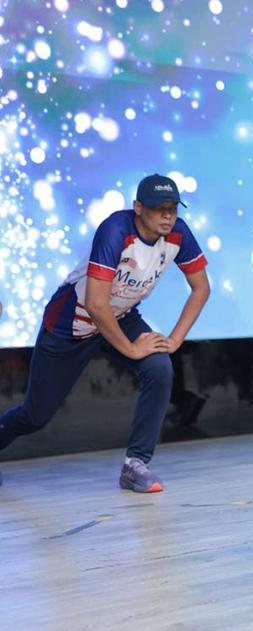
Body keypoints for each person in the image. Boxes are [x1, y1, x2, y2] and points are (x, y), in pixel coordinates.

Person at [0, 174, 210, 492]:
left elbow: (201, 288)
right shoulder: (115, 230)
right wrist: (132, 349)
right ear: (138, 207)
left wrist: (174, 340)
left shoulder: (179, 234)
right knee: (35, 416)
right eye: (159, 208)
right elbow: (96, 304)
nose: (168, 215)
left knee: (159, 366)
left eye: (173, 208)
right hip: (72, 322)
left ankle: (135, 465)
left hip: (121, 316)